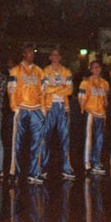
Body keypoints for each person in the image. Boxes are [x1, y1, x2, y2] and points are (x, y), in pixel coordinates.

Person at [8, 45, 46, 183]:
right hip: (22, 108)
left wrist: (43, 109)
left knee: (38, 141)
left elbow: (43, 90)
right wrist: (15, 108)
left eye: (33, 52)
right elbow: (11, 89)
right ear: (24, 54)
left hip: (36, 109)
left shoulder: (39, 71)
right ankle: (15, 172)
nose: (31, 54)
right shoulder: (16, 70)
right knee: (17, 142)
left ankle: (34, 173)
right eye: (29, 52)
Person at [39, 48, 75, 180]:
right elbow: (44, 89)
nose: (55, 57)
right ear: (50, 57)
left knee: (65, 138)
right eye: (53, 55)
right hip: (49, 107)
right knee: (45, 138)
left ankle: (66, 169)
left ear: (60, 57)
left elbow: (70, 90)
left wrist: (54, 89)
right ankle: (42, 168)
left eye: (57, 55)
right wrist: (60, 88)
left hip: (63, 107)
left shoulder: (66, 71)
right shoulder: (44, 71)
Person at [79, 60, 109, 174]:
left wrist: (105, 105)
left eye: (98, 67)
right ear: (91, 69)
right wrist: (84, 109)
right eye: (94, 67)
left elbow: (105, 98)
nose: (96, 69)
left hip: (101, 114)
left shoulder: (105, 83)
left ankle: (97, 162)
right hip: (90, 113)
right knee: (89, 138)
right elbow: (81, 97)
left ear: (100, 68)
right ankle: (87, 163)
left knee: (99, 139)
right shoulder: (85, 82)